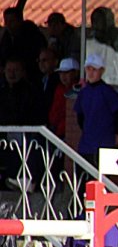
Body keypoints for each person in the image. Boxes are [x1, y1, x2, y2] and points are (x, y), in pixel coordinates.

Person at [73, 53, 118, 168]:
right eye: (88, 69)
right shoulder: (83, 92)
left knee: (103, 183)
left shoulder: (109, 92)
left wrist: (113, 141)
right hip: (86, 146)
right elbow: (80, 117)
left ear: (101, 71)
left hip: (105, 145)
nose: (91, 73)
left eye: (94, 70)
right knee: (82, 182)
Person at [0, 56, 42, 186]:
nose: (12, 74)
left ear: (23, 71)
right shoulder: (2, 91)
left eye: (16, 70)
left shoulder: (30, 91)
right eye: (9, 70)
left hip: (25, 134)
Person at [0, 6, 47, 85]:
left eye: (12, 21)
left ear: (20, 21)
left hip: (31, 77)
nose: (8, 25)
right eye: (6, 21)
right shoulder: (7, 36)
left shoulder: (32, 35)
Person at [48, 58, 80, 138]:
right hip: (59, 133)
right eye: (60, 73)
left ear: (75, 73)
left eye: (66, 72)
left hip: (74, 133)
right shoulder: (59, 89)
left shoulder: (80, 90)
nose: (63, 76)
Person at [36, 46, 60, 123]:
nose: (41, 63)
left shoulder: (60, 79)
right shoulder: (39, 80)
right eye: (39, 61)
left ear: (55, 61)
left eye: (44, 60)